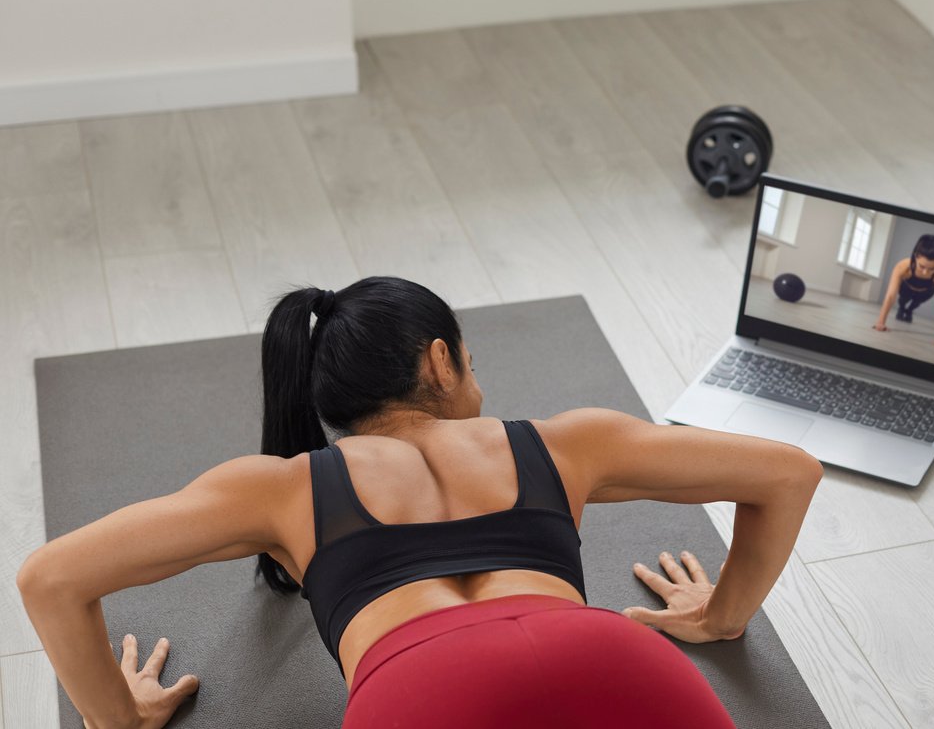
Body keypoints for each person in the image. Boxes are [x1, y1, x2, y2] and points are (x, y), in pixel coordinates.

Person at [17, 276, 823, 729]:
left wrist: (116, 722)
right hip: (611, 658)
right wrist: (718, 617)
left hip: (422, 694)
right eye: (471, 360)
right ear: (439, 362)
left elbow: (50, 579)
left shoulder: (281, 486)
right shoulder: (569, 442)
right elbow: (788, 473)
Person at [873, 234, 934, 351]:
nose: (925, 272)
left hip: (926, 292)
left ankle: (909, 311)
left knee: (916, 303)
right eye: (922, 266)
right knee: (902, 300)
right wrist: (880, 322)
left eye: (932, 268)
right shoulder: (903, 266)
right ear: (916, 257)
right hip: (906, 288)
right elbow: (891, 295)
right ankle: (902, 308)